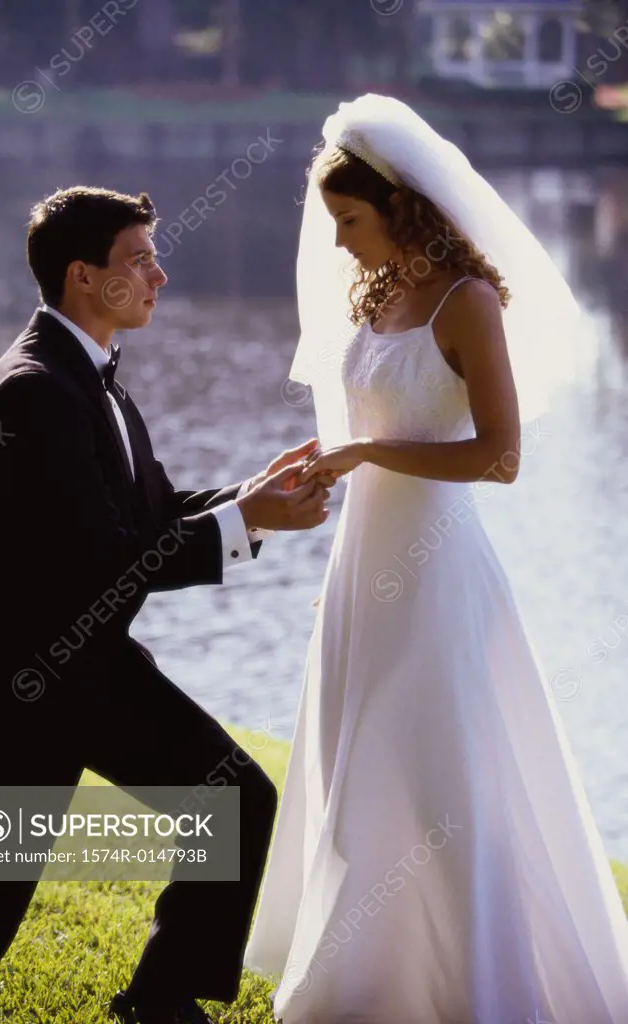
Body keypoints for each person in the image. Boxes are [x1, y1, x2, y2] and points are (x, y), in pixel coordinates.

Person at [243, 95, 628, 1023]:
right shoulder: (374, 295)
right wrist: (325, 456)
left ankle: (480, 982)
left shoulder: (468, 302)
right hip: (360, 564)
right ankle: (369, 977)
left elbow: (498, 457)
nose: (336, 242)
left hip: (435, 569)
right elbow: (370, 417)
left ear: (401, 206)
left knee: (436, 765)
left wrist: (370, 452)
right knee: (359, 759)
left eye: (349, 221)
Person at [0, 185, 335, 1024]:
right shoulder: (35, 393)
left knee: (231, 797)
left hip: (91, 675)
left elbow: (149, 515)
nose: (159, 275)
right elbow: (101, 563)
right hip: (24, 694)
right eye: (140, 260)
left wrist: (253, 494)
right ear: (84, 276)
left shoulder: (93, 381)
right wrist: (246, 521)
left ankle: (160, 1001)